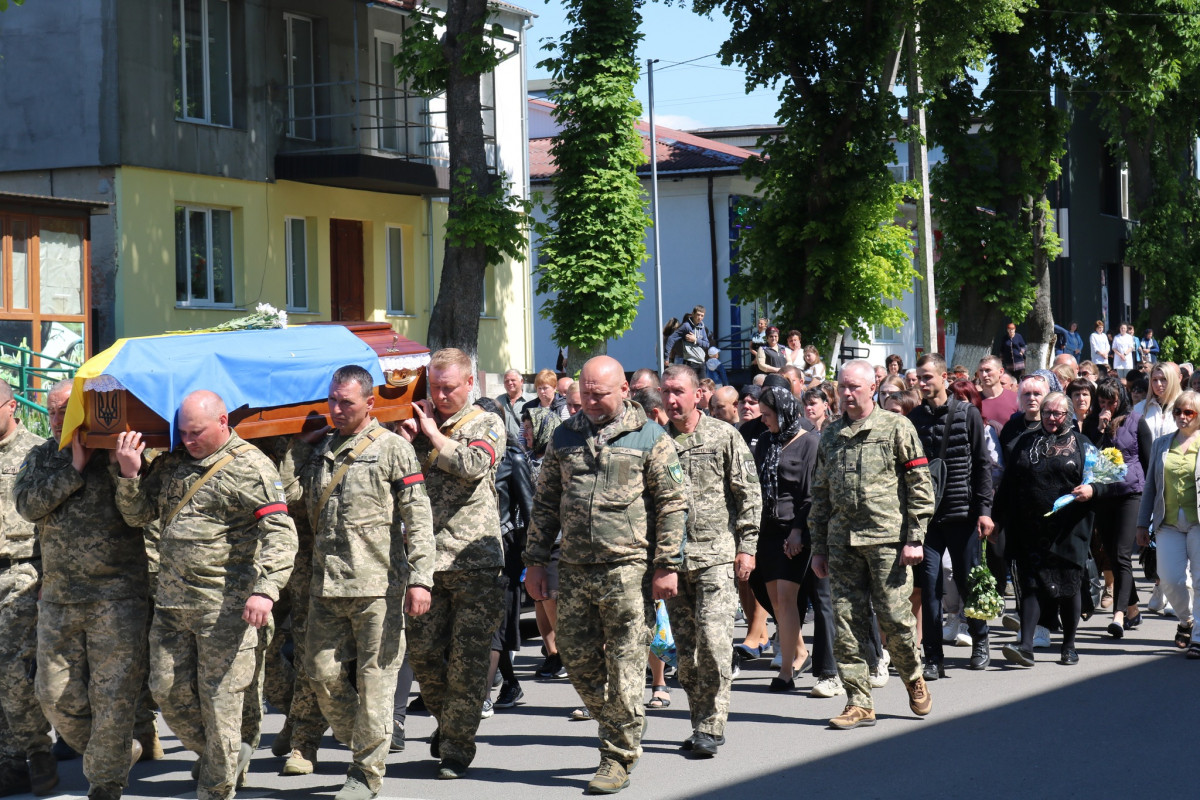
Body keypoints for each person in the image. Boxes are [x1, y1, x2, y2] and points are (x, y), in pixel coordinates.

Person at [113, 391, 298, 800]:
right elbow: (138, 515)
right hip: (173, 605)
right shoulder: (173, 463)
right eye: (182, 433)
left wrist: (266, 590)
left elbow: (282, 536)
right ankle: (226, 756)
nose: (189, 440)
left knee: (221, 706)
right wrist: (129, 475)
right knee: (166, 691)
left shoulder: (252, 467)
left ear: (223, 421)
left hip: (226, 609)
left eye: (196, 432)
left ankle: (216, 787)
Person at [524, 356, 687, 794]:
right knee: (575, 658)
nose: (591, 402)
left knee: (626, 665)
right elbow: (545, 503)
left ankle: (616, 756)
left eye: (600, 394)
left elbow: (673, 504)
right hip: (575, 567)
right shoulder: (565, 435)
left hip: (628, 568)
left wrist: (667, 564)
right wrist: (535, 560)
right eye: (586, 393)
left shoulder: (651, 437)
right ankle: (625, 721)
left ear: (624, 391)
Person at [293, 366, 435, 798]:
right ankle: (367, 737)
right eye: (332, 401)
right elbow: (291, 496)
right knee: (320, 674)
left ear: (369, 403)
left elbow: (419, 516)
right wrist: (300, 450)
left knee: (376, 680)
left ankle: (365, 774)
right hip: (326, 584)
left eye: (347, 403)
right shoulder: (321, 450)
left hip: (379, 587)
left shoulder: (393, 449)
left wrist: (420, 579)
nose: (337, 410)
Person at [12, 382, 148, 800]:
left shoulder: (118, 455)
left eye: (65, 412)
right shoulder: (42, 457)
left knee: (112, 695)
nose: (57, 421)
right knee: (53, 695)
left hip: (116, 597)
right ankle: (114, 753)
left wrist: (128, 472)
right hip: (58, 597)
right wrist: (72, 468)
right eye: (52, 413)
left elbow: (141, 515)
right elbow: (27, 506)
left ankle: (105, 784)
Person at [397, 348, 506, 781]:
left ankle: (457, 747)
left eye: (449, 387)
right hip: (424, 562)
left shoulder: (485, 422)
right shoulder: (419, 426)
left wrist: (432, 433)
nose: (440, 395)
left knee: (468, 659)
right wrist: (405, 442)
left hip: (473, 561)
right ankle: (452, 726)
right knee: (424, 656)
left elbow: (473, 463)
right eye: (434, 387)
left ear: (469, 384)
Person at [809, 360, 936, 730]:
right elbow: (820, 495)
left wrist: (915, 537)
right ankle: (858, 701)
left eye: (855, 387)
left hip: (886, 540)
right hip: (842, 543)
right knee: (847, 622)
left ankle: (913, 678)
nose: (848, 393)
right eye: (843, 387)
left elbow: (919, 484)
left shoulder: (896, 426)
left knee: (895, 619)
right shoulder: (831, 435)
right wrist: (818, 547)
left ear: (872, 387)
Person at [660, 366, 760, 756]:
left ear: (698, 393)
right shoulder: (657, 441)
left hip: (716, 557)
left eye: (679, 392)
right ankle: (699, 719)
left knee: (715, 645)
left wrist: (747, 545)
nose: (672, 400)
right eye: (665, 392)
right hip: (673, 562)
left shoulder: (723, 436)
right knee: (685, 653)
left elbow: (748, 493)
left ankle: (713, 724)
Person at [995, 392, 1098, 666]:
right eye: (1047, 413)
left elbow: (1106, 479)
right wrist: (995, 518)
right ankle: (1026, 645)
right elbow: (1009, 483)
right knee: (1031, 585)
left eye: (1058, 413)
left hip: (1069, 529)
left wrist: (1092, 489)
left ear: (1068, 415)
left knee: (1069, 587)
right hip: (1030, 527)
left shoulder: (1082, 444)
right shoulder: (1025, 442)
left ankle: (1069, 645)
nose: (1052, 418)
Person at [908, 354, 994, 677]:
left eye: (928, 377)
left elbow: (983, 464)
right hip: (927, 518)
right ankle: (933, 657)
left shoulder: (968, 414)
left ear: (944, 377)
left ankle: (980, 640)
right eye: (918, 377)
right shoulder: (914, 418)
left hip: (963, 514)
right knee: (929, 587)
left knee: (968, 581)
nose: (922, 382)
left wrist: (984, 511)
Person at [753, 384, 834, 697]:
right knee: (775, 600)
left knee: (787, 600)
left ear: (785, 412)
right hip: (767, 529)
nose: (764, 421)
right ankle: (798, 653)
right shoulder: (767, 442)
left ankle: (787, 671)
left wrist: (798, 530)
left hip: (795, 530)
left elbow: (811, 493)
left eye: (768, 415)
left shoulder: (811, 442)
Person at [0, 381, 56, 796]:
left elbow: (53, 525)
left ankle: (38, 753)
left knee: (13, 671)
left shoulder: (36, 453)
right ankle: (11, 761)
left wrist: (48, 577)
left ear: (10, 406)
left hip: (22, 573)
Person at [1137, 390, 1200, 657]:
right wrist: (1142, 524)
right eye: (1178, 411)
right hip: (1168, 522)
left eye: (1189, 412)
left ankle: (1197, 638)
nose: (1182, 417)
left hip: (1198, 522)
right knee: (1171, 580)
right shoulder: (1162, 443)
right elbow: (1150, 486)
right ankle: (1187, 620)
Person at [1084, 378, 1145, 639]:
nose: (1107, 406)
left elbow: (1149, 459)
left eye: (1112, 401)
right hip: (1104, 494)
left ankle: (1118, 615)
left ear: (1120, 399)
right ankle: (1132, 607)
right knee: (1109, 552)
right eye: (1102, 402)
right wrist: (1099, 429)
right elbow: (1088, 456)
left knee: (1121, 555)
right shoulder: (1092, 423)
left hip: (1130, 493)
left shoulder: (1136, 422)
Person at [523, 407, 566, 680]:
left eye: (530, 427)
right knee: (539, 599)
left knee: (551, 596)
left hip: (557, 538)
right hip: (532, 540)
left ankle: (564, 653)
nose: (526, 432)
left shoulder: (558, 457)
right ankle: (551, 653)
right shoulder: (527, 459)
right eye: (524, 427)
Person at [666, 306, 711, 377]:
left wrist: (695, 340)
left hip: (701, 362)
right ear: (693, 314)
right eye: (698, 315)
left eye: (702, 316)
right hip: (690, 362)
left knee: (702, 386)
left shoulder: (702, 327)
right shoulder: (686, 326)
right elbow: (671, 338)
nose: (700, 317)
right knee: (691, 386)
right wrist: (666, 357)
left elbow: (707, 344)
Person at [495, 369, 526, 446]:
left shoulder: (531, 401)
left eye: (513, 380)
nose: (509, 383)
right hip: (504, 449)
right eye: (506, 381)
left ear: (521, 381)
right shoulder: (498, 401)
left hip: (524, 449)